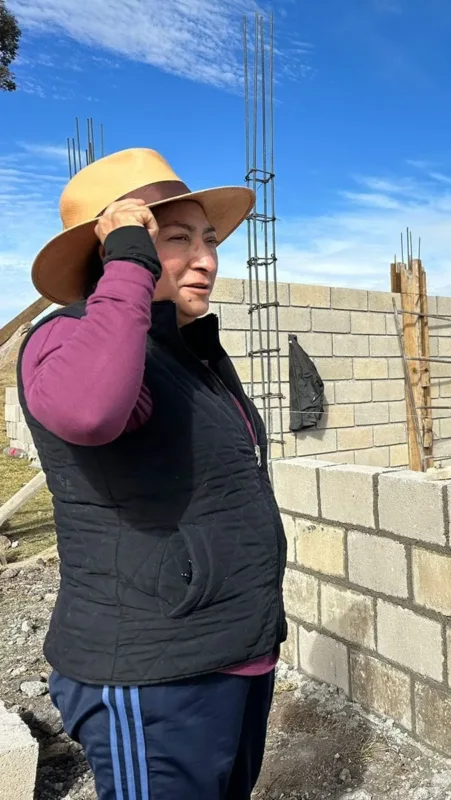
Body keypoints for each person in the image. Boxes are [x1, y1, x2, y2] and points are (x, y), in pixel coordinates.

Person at [16, 148, 288, 799]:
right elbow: (88, 410)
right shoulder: (66, 338)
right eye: (174, 240)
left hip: (232, 654)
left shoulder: (180, 353)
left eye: (209, 240)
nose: (206, 260)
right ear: (115, 248)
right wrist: (130, 260)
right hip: (155, 675)